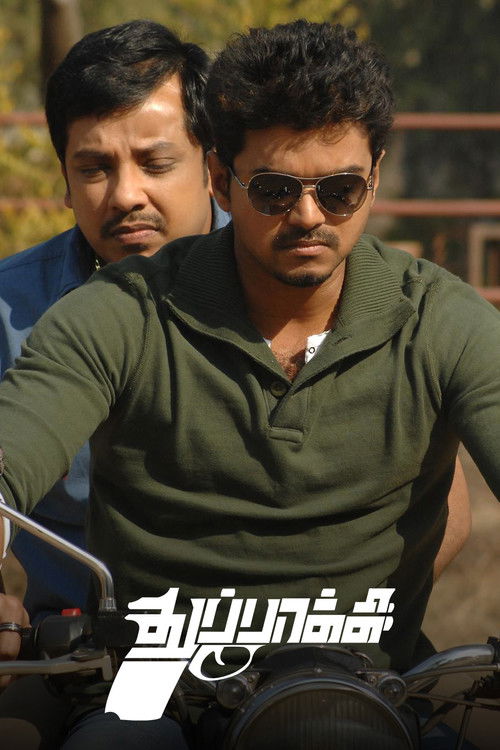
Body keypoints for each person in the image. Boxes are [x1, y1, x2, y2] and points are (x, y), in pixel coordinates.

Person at [0, 19, 495, 749]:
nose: (308, 216)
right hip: (150, 685)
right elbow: (13, 450)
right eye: (273, 190)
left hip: (376, 681)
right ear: (222, 180)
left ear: (375, 176)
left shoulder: (441, 319)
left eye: (340, 189)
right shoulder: (119, 312)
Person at [0, 19, 229, 623]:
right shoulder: (9, 310)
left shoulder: (292, 287)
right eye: (95, 168)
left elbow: (434, 505)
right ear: (65, 183)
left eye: (155, 162)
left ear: (214, 167)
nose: (126, 195)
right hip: (76, 647)